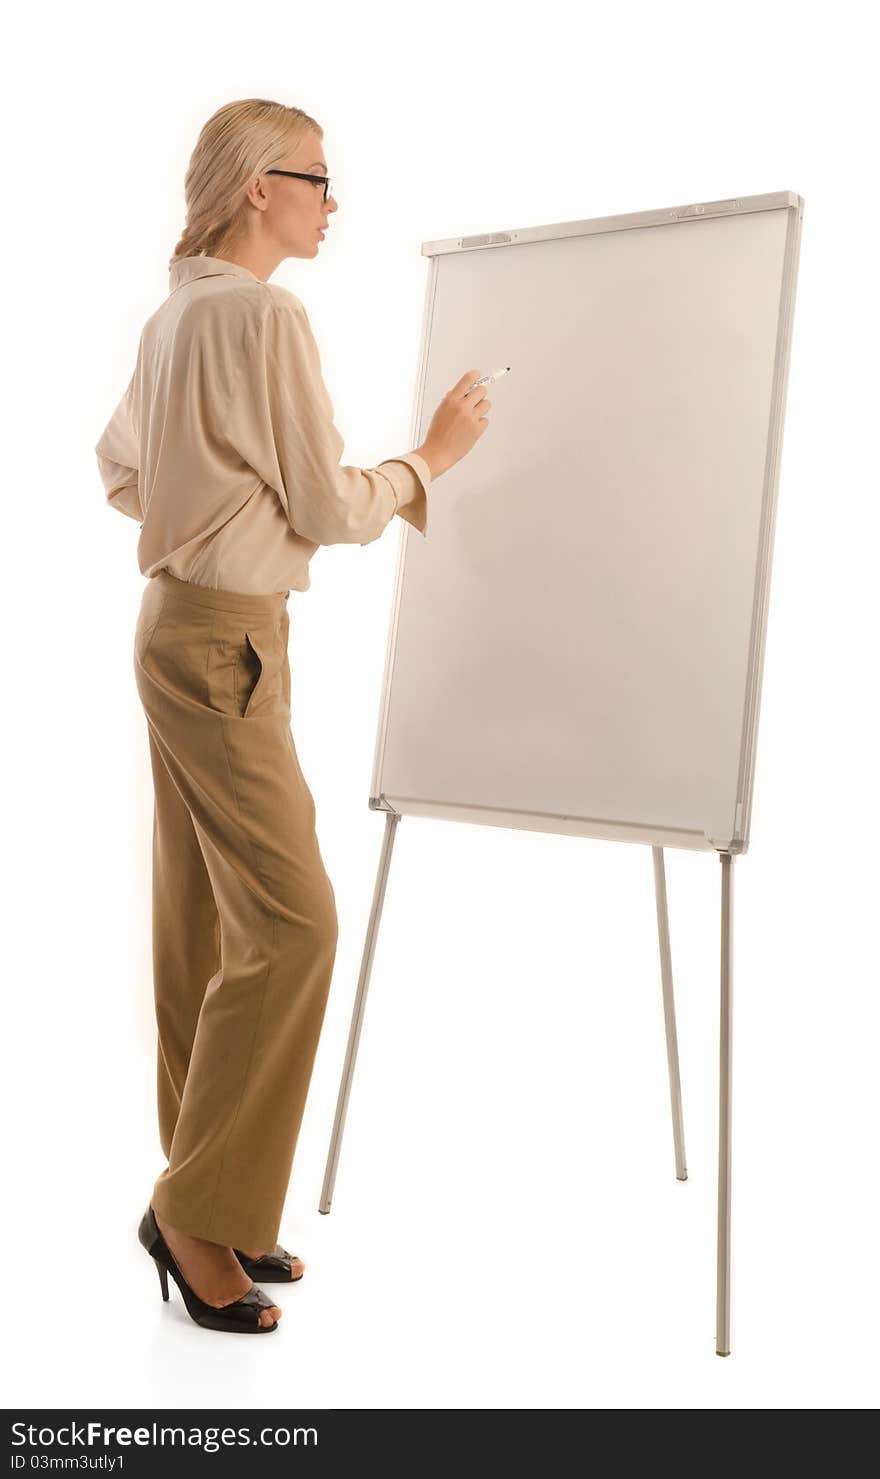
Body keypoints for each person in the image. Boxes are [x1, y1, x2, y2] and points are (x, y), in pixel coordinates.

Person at [94, 98, 491, 1334]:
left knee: (205, 921)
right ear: (257, 188)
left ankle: (214, 1193)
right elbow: (327, 504)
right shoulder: (259, 313)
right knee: (295, 922)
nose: (332, 200)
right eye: (317, 177)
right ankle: (194, 1210)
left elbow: (119, 471)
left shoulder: (177, 314)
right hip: (226, 641)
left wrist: (205, 504)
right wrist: (430, 456)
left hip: (177, 625)